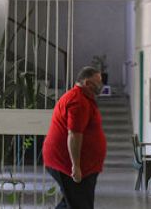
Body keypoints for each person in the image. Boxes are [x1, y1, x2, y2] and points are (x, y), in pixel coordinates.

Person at [43, 66, 107, 209]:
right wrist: (76, 166)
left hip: (83, 165)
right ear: (87, 83)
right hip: (68, 164)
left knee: (71, 202)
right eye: (98, 82)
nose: (101, 85)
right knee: (80, 204)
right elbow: (74, 135)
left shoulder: (84, 98)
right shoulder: (78, 101)